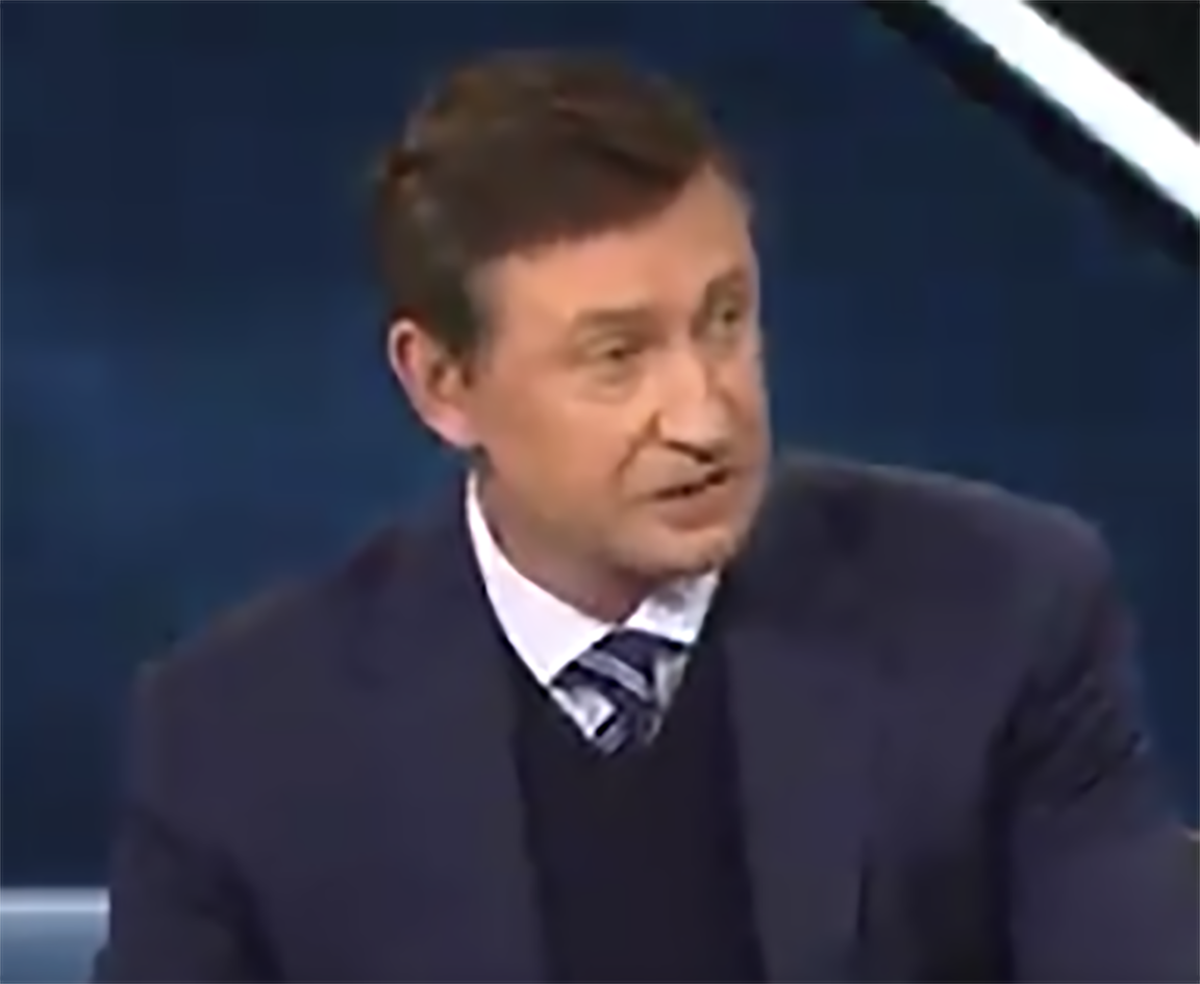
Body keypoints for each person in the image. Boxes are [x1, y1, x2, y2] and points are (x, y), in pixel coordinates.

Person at [94, 49, 1200, 984]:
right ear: (442, 385)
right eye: (617, 357)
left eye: (725, 320)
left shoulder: (1001, 611)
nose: (706, 417)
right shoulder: (238, 738)